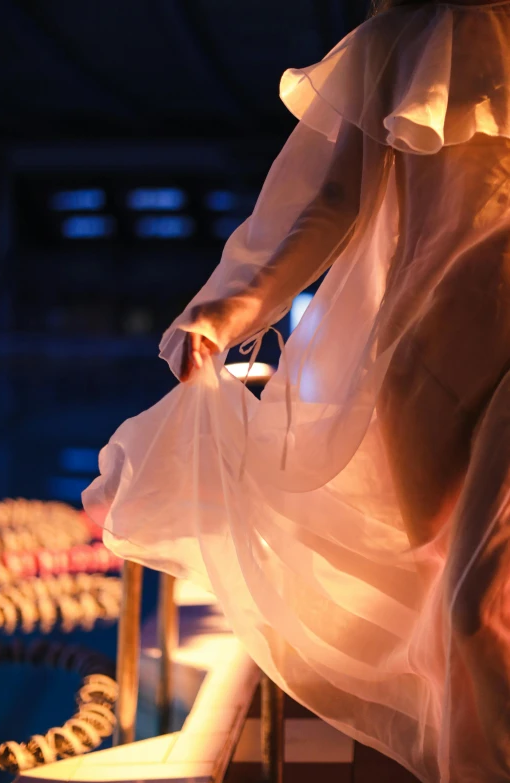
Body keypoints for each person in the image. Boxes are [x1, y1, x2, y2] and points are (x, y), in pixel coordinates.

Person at [83, 1, 510, 779]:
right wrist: (231, 306)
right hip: (426, 363)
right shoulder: (397, 43)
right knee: (452, 627)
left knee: (474, 607)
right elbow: (330, 203)